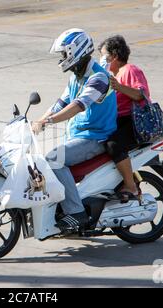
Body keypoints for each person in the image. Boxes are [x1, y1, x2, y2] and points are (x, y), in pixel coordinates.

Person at [32, 29, 117, 231]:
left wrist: (49, 121)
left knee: (54, 159)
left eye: (63, 54)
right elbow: (61, 103)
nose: (61, 59)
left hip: (95, 137)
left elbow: (78, 105)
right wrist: (38, 121)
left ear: (75, 51)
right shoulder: (76, 76)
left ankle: (76, 212)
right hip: (79, 135)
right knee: (42, 159)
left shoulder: (98, 77)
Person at [98, 35, 151, 202]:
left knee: (113, 145)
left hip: (133, 122)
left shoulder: (129, 70)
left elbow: (141, 95)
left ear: (114, 56)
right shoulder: (110, 75)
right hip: (117, 122)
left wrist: (118, 86)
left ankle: (130, 185)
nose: (101, 59)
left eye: (104, 55)